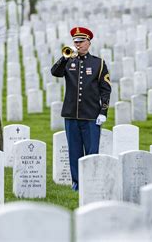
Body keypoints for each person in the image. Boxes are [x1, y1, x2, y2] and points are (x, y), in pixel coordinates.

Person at [51, 26, 111, 191]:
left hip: (91, 116)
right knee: (74, 151)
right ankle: (77, 183)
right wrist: (64, 58)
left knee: (92, 151)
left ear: (88, 43)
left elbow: (106, 89)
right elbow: (55, 72)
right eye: (75, 42)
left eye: (81, 41)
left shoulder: (98, 63)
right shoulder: (68, 61)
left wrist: (103, 111)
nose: (78, 44)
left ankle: (92, 180)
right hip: (71, 114)